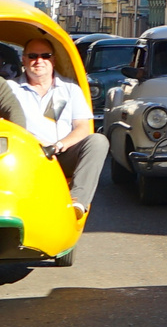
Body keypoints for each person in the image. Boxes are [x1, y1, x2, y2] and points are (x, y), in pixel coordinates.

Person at [13, 37, 108, 216]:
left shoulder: (70, 89)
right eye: (32, 56)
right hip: (26, 156)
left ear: (53, 60)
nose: (39, 61)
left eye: (45, 56)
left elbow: (82, 127)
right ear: (24, 60)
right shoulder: (10, 89)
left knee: (98, 141)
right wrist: (38, 145)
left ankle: (77, 202)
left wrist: (58, 146)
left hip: (62, 153)